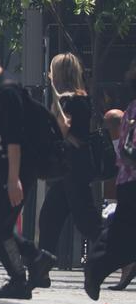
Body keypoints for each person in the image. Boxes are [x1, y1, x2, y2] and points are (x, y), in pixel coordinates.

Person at [0, 33, 57, 299]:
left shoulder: (8, 90)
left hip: (16, 168)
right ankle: (36, 257)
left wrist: (13, 178)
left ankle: (19, 280)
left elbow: (15, 139)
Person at [37, 53, 102, 279]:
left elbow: (62, 131)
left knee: (86, 220)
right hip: (72, 167)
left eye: (52, 70)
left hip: (72, 168)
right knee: (50, 217)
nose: (49, 75)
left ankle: (123, 255)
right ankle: (41, 271)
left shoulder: (70, 100)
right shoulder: (79, 99)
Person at [86, 70, 136, 299]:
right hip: (132, 180)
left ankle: (97, 267)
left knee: (122, 230)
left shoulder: (131, 108)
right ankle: (96, 267)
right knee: (122, 232)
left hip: (127, 180)